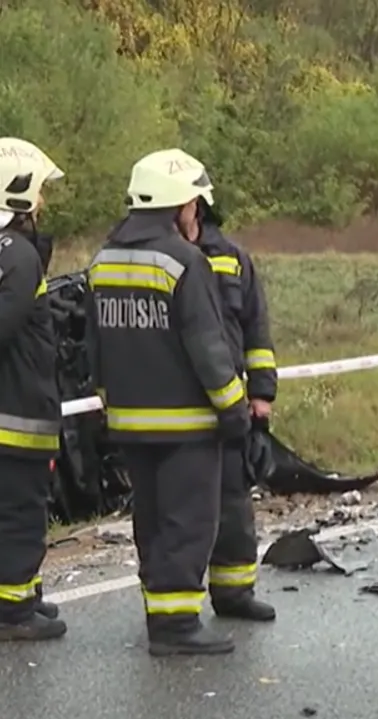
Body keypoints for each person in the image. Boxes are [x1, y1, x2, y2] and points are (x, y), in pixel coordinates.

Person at [87, 148, 250, 656]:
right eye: (193, 204)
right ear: (180, 204)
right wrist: (234, 409)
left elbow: (94, 345)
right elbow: (207, 346)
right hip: (187, 423)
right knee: (188, 521)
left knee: (152, 519)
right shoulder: (184, 261)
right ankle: (177, 625)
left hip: (131, 422)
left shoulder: (102, 259)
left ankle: (160, 612)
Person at [194, 206, 278, 622]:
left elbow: (255, 328)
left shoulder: (230, 257)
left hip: (229, 404)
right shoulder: (161, 255)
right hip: (177, 406)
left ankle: (234, 594)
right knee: (181, 511)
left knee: (233, 502)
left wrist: (261, 395)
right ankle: (175, 605)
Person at [0, 138, 67, 642]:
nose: (44, 199)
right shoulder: (19, 257)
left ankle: (26, 594)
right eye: (40, 189)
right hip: (17, 415)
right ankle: (13, 610)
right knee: (21, 511)